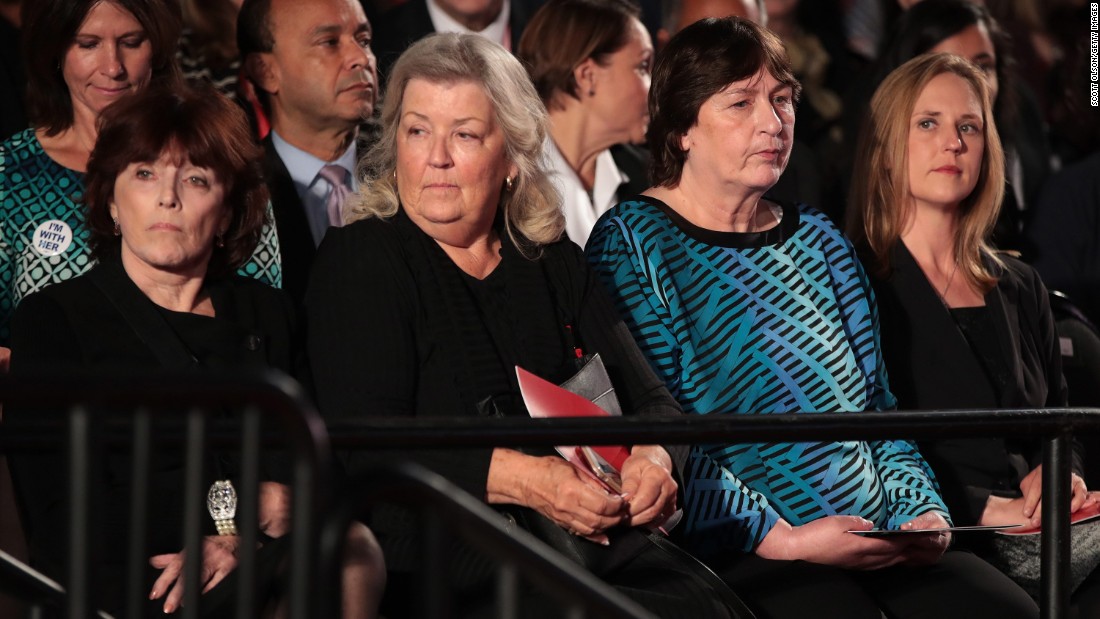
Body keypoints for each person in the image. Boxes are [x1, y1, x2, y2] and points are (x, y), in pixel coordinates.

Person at [585, 17, 1038, 619]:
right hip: (746, 544)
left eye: (782, 100)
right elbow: (662, 434)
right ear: (684, 127)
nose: (772, 123)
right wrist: (787, 540)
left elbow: (878, 409)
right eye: (741, 103)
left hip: (874, 528)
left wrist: (921, 512)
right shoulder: (633, 240)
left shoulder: (819, 239)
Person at [306, 32, 750, 618]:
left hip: (586, 548)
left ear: (512, 158)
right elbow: (368, 446)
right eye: (417, 131)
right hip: (446, 559)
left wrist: (654, 461)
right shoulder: (363, 257)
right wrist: (532, 481)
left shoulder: (549, 257)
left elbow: (655, 403)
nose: (435, 157)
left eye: (464, 135)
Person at [5, 83, 385, 619]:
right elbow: (61, 512)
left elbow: (315, 474)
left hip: (267, 560)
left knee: (351, 549)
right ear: (110, 199)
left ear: (228, 211)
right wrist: (239, 506)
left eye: (196, 179)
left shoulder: (268, 314)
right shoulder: (52, 322)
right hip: (133, 575)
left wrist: (237, 542)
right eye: (144, 174)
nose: (168, 196)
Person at [848, 52, 1100, 616]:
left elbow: (1060, 422)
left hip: (1041, 528)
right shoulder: (851, 279)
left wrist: (1063, 475)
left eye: (969, 126)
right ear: (888, 147)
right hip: (933, 532)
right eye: (928, 123)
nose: (954, 143)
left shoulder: (1020, 284)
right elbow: (856, 445)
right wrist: (982, 507)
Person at [0, 0, 282, 350]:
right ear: (56, 51)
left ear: (159, 49)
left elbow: (264, 316)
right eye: (88, 45)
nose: (113, 67)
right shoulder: (11, 172)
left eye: (131, 43)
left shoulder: (218, 157)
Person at [237, 0, 378, 303]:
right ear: (265, 71)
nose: (360, 58)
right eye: (329, 42)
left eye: (363, 41)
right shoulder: (238, 197)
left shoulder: (407, 172)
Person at [517, 0, 653, 249]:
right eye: (642, 67)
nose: (653, 87)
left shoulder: (652, 178)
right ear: (587, 76)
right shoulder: (512, 184)